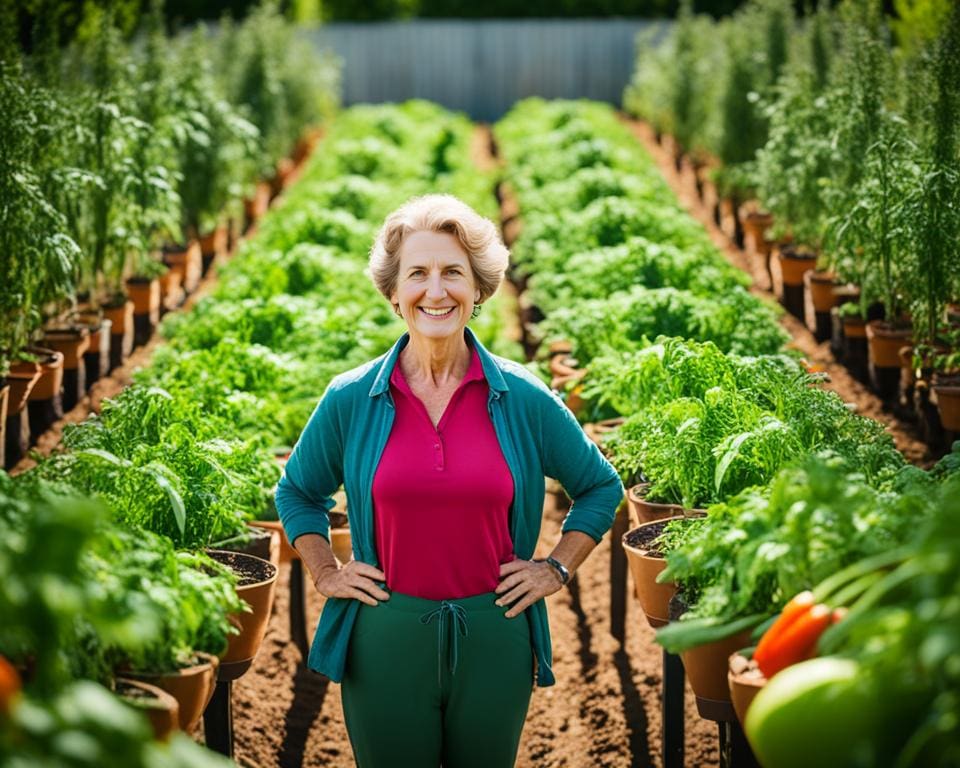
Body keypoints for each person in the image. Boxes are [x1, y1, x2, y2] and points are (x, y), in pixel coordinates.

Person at [275, 193, 623, 768]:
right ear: (393, 292)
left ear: (480, 289)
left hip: (496, 633)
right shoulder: (351, 398)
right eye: (418, 273)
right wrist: (325, 571)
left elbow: (601, 486)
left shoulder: (523, 395)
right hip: (384, 633)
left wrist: (555, 567)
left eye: (453, 273)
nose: (436, 291)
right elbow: (298, 490)